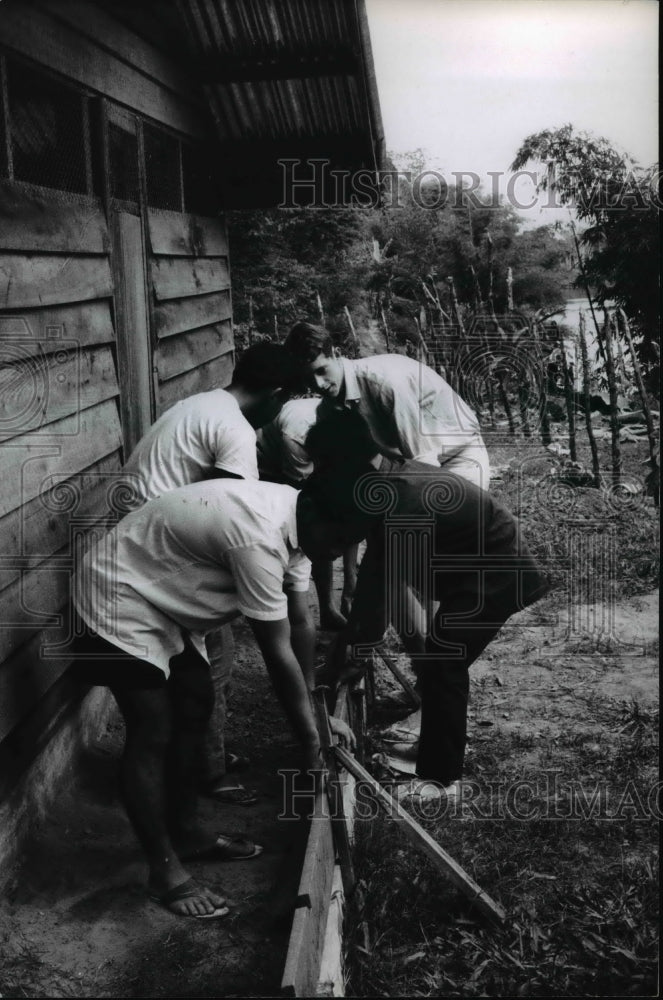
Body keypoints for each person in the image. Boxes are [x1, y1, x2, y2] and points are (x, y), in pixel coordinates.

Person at [71, 476, 354, 918]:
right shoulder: (258, 536)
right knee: (154, 728)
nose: (337, 551)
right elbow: (276, 652)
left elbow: (300, 624)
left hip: (163, 596)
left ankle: (185, 832)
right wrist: (310, 740)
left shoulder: (301, 529)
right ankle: (164, 872)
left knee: (196, 702)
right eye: (337, 539)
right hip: (117, 594)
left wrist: (317, 710)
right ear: (316, 513)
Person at [297, 409, 549, 805]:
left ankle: (441, 781)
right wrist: (349, 645)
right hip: (476, 571)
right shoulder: (385, 482)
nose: (320, 475)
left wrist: (353, 649)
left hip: (498, 573)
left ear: (348, 462)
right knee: (440, 662)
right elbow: (374, 576)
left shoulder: (402, 499)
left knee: (443, 664)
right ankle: (438, 754)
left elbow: (378, 593)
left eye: (325, 464)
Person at [122, 342, 304, 805]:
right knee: (213, 659)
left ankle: (205, 757)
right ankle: (207, 770)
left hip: (145, 534)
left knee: (198, 665)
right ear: (276, 394)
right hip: (156, 551)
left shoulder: (204, 403)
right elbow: (238, 513)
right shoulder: (236, 430)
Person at [284, 321, 490, 489]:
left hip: (458, 457)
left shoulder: (384, 383)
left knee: (448, 532)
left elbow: (423, 464)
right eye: (308, 378)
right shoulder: (327, 409)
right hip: (406, 469)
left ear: (336, 354)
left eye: (321, 371)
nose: (318, 385)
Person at [257, 396, 358, 630]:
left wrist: (352, 578)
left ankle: (327, 612)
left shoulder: (354, 435)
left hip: (306, 457)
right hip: (268, 462)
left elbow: (349, 516)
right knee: (297, 538)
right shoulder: (297, 436)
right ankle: (294, 612)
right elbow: (314, 522)